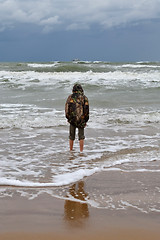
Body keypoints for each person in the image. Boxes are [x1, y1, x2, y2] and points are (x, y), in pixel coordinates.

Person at [65, 84, 89, 152]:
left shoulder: (70, 97)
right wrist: (86, 120)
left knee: (71, 136)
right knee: (81, 136)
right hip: (81, 119)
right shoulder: (84, 98)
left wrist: (68, 117)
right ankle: (81, 151)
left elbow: (66, 108)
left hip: (72, 118)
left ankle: (71, 150)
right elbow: (86, 110)